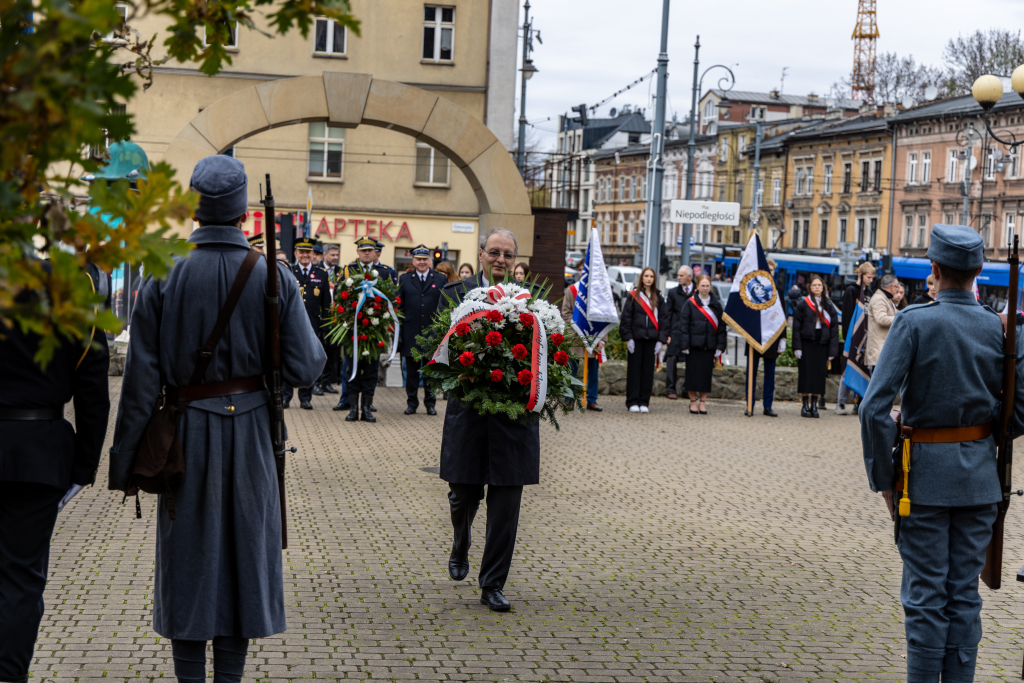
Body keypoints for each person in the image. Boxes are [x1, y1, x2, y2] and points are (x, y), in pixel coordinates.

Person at [108, 155, 325, 683]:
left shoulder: (164, 272)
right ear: (243, 209)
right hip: (253, 434)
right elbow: (307, 366)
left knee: (188, 563)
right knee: (244, 561)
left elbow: (140, 380)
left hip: (186, 437)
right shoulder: (274, 275)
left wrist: (124, 465)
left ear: (195, 207)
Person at [860, 223, 1024, 683]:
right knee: (964, 597)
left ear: (933, 269)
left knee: (925, 597)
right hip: (978, 485)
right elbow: (1020, 410)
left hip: (922, 483)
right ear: (979, 272)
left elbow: (874, 409)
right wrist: (982, 433)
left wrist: (884, 478)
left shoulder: (915, 321)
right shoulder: (998, 327)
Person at [0, 264, 109, 683]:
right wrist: (84, 466)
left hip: (38, 452)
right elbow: (92, 385)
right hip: (38, 454)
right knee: (20, 583)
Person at [438, 228, 538, 612]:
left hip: (516, 418)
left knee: (506, 506)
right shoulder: (453, 296)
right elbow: (435, 352)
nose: (500, 259)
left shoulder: (533, 302)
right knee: (463, 493)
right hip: (469, 412)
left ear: (515, 260)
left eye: (507, 254)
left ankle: (492, 584)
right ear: (480, 254)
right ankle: (460, 539)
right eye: (493, 252)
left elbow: (547, 353)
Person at [338, 236, 386, 422]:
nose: (366, 253)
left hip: (374, 330)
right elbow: (339, 297)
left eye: (370, 250)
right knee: (353, 369)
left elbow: (390, 298)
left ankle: (366, 409)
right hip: (353, 330)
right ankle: (353, 409)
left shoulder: (383, 272)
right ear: (358, 252)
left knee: (371, 371)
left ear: (375, 252)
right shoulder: (348, 271)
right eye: (363, 250)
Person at [397, 245, 447, 415]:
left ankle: (430, 403)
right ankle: (412, 403)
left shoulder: (440, 279)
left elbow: (444, 307)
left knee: (430, 372)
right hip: (411, 331)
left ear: (430, 261)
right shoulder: (405, 279)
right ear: (413, 261)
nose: (422, 262)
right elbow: (399, 307)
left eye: (425, 259)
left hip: (432, 333)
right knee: (411, 372)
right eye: (418, 259)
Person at [283, 236, 331, 409]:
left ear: (313, 254)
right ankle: (286, 397)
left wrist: (326, 327)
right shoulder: (288, 271)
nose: (305, 255)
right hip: (290, 324)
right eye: (301, 252)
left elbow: (326, 303)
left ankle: (305, 398)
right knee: (287, 358)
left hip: (313, 324)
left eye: (308, 252)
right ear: (295, 253)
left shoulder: (321, 274)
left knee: (309, 359)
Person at [676, 274, 727, 415]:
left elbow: (722, 328)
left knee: (705, 376)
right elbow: (683, 326)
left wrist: (720, 346)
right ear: (697, 286)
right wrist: (684, 345)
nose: (705, 288)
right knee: (692, 376)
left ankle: (703, 403)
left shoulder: (716, 305)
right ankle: (693, 402)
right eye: (702, 285)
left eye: (707, 285)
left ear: (710, 287)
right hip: (693, 347)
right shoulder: (690, 303)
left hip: (709, 346)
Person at [619, 267, 668, 414]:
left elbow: (664, 320)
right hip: (636, 339)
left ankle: (644, 401)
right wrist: (628, 338)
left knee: (648, 372)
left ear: (654, 279)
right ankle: (632, 401)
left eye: (651, 276)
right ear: (641, 278)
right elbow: (626, 318)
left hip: (651, 340)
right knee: (634, 371)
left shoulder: (658, 297)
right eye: (646, 276)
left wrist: (661, 340)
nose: (648, 279)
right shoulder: (633, 296)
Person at [792, 275, 839, 418]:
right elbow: (796, 328)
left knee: (819, 376)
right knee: (806, 374)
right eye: (814, 285)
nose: (817, 287)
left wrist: (832, 350)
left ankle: (814, 405)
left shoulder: (829, 305)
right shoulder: (802, 304)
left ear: (823, 287)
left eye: (819, 285)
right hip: (807, 343)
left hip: (821, 343)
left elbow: (834, 330)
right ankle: (805, 405)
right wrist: (797, 347)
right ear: (809, 287)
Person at [744, 260, 785, 417]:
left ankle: (768, 406)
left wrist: (782, 338)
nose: (770, 272)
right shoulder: (750, 290)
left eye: (772, 269)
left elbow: (782, 316)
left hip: (772, 338)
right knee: (751, 374)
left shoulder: (778, 291)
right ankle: (750, 405)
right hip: (755, 337)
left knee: (770, 375)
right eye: (767, 269)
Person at [837, 262, 876, 415]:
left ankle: (859, 403)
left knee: (863, 370)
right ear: (861, 275)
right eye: (868, 277)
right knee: (848, 370)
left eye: (872, 278)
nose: (871, 280)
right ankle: (840, 403)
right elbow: (846, 315)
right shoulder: (851, 291)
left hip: (866, 338)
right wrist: (848, 336)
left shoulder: (870, 293)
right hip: (852, 338)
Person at [561, 280, 603, 412]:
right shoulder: (571, 290)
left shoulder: (599, 292)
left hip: (593, 336)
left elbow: (604, 317)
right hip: (574, 336)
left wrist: (603, 339)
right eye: (580, 269)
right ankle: (569, 399)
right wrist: (579, 326)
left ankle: (592, 400)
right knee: (571, 370)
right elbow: (566, 312)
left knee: (593, 370)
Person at [664, 265, 694, 400]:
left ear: (690, 277)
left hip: (692, 332)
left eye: (681, 275)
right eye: (678, 275)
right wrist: (667, 334)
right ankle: (670, 389)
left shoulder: (697, 292)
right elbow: (667, 314)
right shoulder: (673, 293)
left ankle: (687, 390)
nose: (679, 278)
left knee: (692, 360)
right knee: (671, 358)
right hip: (675, 331)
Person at [319, 244, 342, 395]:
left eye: (336, 255)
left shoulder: (341, 272)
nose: (335, 258)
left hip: (336, 320)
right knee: (319, 352)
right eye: (332, 255)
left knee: (332, 354)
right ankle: (315, 383)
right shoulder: (318, 271)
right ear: (324, 255)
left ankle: (326, 382)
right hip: (320, 319)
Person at [866, 274, 900, 373]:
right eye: (897, 287)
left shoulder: (885, 297)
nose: (897, 290)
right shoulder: (879, 299)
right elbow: (881, 319)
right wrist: (900, 319)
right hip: (879, 352)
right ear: (892, 287)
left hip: (883, 351)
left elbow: (894, 313)